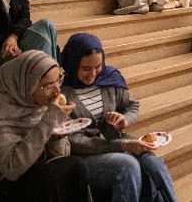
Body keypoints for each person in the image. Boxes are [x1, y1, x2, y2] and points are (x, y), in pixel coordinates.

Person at [0, 50, 90, 202]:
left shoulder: (38, 104)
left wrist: (55, 137)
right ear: (26, 83)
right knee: (44, 176)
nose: (57, 91)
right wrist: (48, 121)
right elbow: (12, 169)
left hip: (33, 180)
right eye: (48, 85)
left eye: (58, 80)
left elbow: (61, 155)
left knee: (74, 167)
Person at [60, 33, 177, 202]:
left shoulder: (109, 79)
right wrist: (120, 145)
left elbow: (132, 105)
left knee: (153, 163)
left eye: (98, 66)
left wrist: (125, 119)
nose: (93, 74)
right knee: (127, 166)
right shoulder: (63, 94)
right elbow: (74, 141)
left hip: (116, 141)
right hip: (85, 155)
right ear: (72, 63)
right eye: (86, 68)